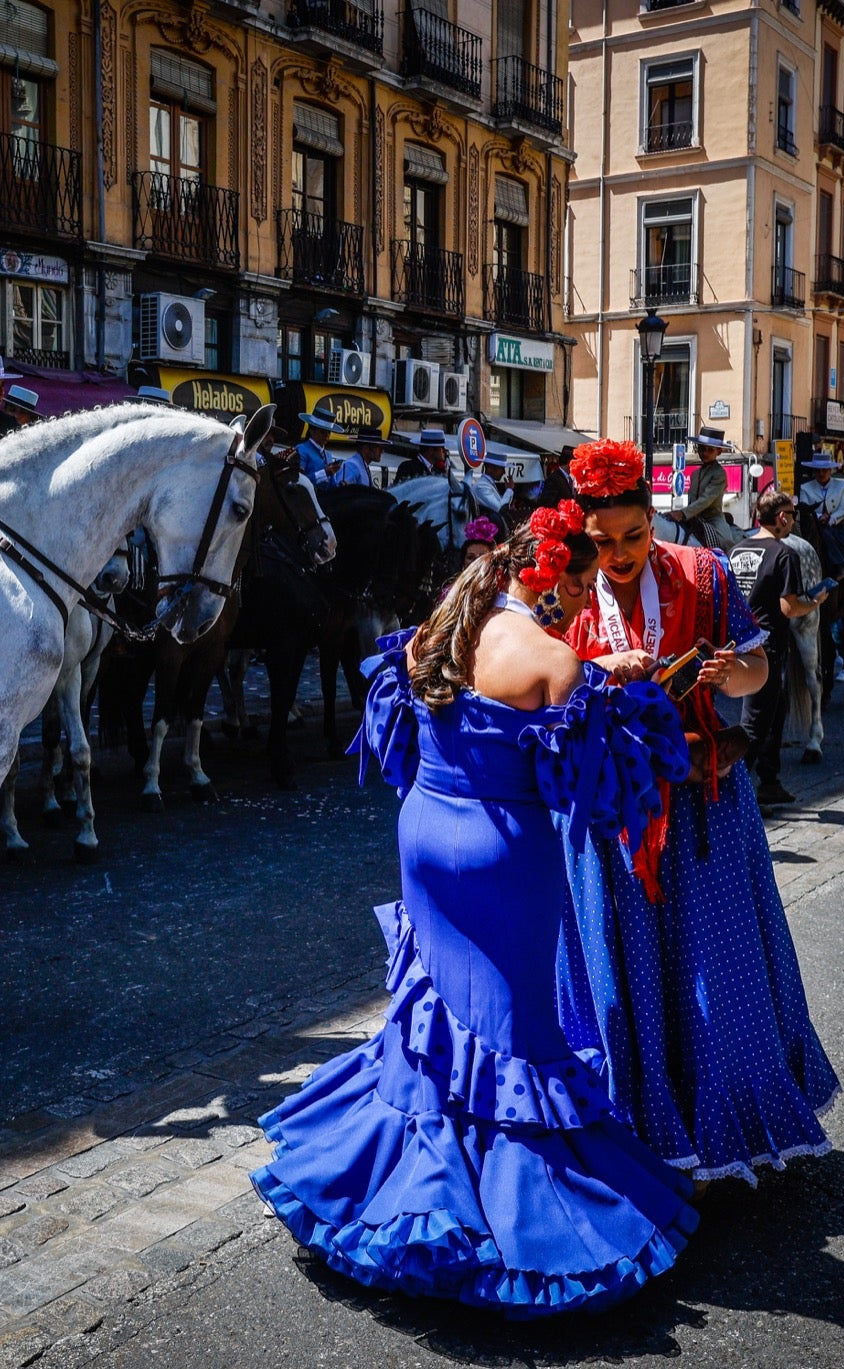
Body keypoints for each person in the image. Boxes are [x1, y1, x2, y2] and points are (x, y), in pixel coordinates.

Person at [252, 507, 698, 1314]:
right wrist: (631, 687)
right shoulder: (554, 657)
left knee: (433, 1015)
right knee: (512, 1024)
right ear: (552, 580)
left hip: (425, 829)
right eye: (581, 584)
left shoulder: (444, 622)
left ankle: (392, 1176)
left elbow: (402, 717)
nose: (582, 601)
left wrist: (601, 680)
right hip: (502, 853)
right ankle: (499, 1216)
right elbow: (600, 789)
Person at [557, 436, 839, 1187]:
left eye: (634, 536)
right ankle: (638, 1124)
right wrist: (591, 671)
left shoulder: (702, 571)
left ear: (655, 522)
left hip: (701, 804)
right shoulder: (569, 589)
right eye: (603, 541)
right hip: (611, 810)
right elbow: (542, 686)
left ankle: (727, 1119)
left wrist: (730, 671)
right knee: (628, 974)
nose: (619, 554)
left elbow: (758, 666)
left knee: (717, 971)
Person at [729, 489, 826, 807]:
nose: (793, 522)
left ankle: (770, 779)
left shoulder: (738, 548)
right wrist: (815, 600)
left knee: (776, 708)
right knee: (754, 724)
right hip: (767, 646)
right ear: (782, 518)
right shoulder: (785, 554)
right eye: (793, 516)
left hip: (741, 641)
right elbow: (789, 608)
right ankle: (732, 791)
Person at [667, 427, 739, 551]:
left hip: (712, 519)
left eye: (710, 450)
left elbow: (706, 500)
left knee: (727, 541)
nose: (705, 453)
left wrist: (683, 513)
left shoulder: (719, 473)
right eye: (702, 449)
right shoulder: (695, 474)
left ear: (719, 452)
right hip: (692, 517)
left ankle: (731, 565)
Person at [294, 403, 345, 484]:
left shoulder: (328, 455)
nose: (327, 436)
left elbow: (331, 484)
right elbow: (299, 481)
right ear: (312, 431)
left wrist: (340, 485)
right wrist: (325, 473)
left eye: (328, 432)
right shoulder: (301, 450)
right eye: (322, 432)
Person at [798, 452, 844, 526]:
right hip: (814, 524)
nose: (821, 474)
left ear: (830, 471)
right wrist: (819, 517)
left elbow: (843, 508)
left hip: (838, 524)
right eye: (818, 471)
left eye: (824, 470)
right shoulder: (805, 488)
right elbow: (804, 509)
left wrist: (831, 519)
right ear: (814, 472)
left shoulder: (842, 485)